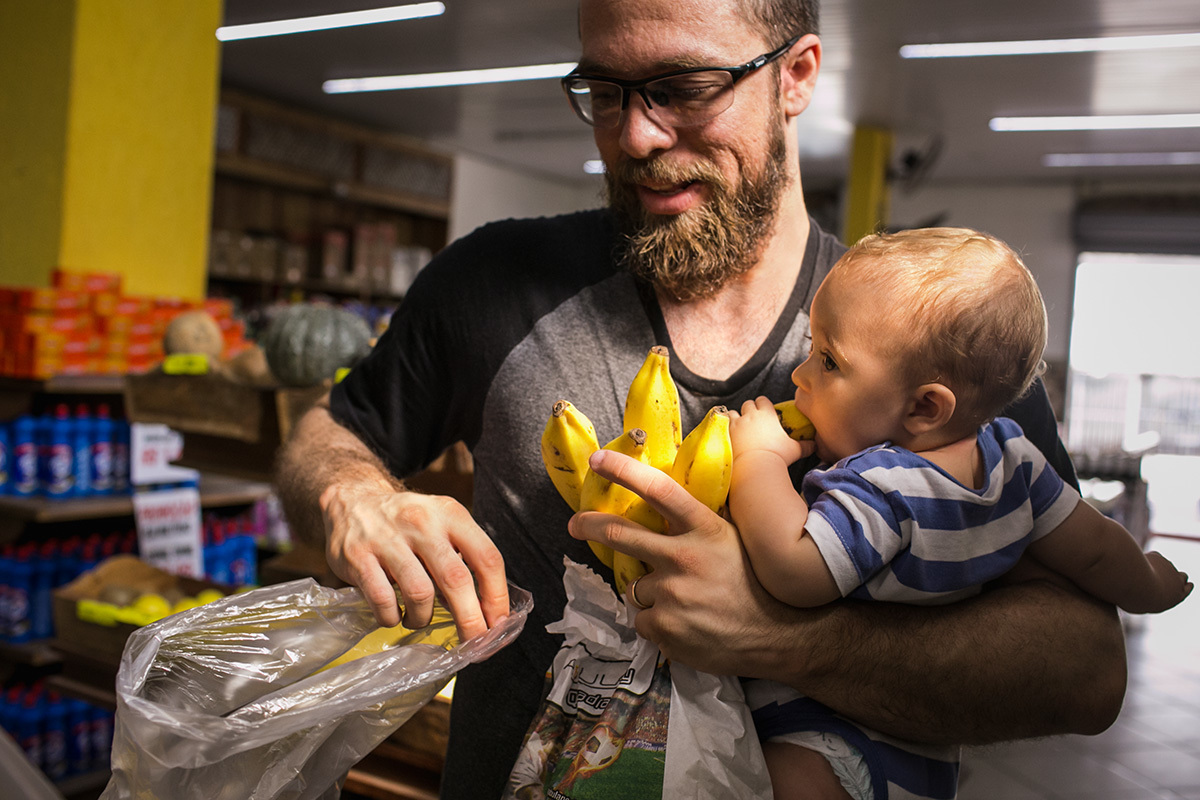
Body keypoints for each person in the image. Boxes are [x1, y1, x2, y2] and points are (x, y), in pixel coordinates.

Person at [274, 1, 1128, 797]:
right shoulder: (491, 282)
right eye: (605, 91)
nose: (635, 135)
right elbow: (334, 430)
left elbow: (1085, 669)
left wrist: (783, 636)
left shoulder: (941, 346)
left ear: (796, 76)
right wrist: (352, 494)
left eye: (684, 87)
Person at [726, 227, 1192, 800]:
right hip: (922, 751)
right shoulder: (1014, 462)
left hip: (828, 743)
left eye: (828, 360)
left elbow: (795, 571)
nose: (799, 376)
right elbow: (1095, 548)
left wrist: (757, 463)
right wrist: (1147, 583)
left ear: (925, 406)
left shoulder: (883, 488)